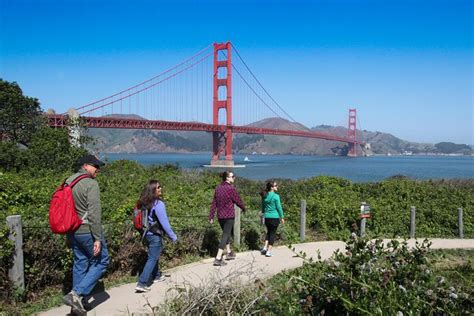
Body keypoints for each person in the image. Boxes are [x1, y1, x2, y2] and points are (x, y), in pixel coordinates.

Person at [62, 154, 109, 315]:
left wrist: (68, 235)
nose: (98, 169)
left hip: (72, 231)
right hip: (87, 231)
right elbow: (94, 214)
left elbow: (65, 210)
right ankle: (76, 294)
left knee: (80, 262)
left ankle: (78, 305)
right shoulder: (90, 184)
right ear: (85, 166)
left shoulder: (68, 181)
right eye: (96, 166)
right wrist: (97, 238)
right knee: (102, 261)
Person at [135, 180, 177, 293]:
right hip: (154, 235)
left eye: (160, 186)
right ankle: (142, 283)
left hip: (145, 234)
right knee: (152, 257)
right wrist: (173, 236)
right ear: (153, 189)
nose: (160, 189)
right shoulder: (158, 204)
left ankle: (157, 275)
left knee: (154, 254)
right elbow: (165, 223)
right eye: (158, 187)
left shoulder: (143, 202)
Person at [209, 171, 246, 266]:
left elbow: (214, 203)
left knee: (226, 233)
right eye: (232, 176)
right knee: (225, 235)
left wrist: (211, 216)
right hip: (229, 215)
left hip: (220, 216)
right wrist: (243, 208)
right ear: (227, 178)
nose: (234, 178)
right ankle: (218, 258)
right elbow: (238, 200)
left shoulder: (218, 188)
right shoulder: (231, 189)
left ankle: (229, 253)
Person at [260, 180, 285, 257]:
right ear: (272, 187)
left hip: (267, 217)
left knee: (269, 232)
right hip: (274, 217)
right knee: (272, 234)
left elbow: (263, 207)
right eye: (275, 185)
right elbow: (279, 208)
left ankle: (265, 247)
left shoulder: (265, 195)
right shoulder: (276, 196)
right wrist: (282, 217)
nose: (277, 186)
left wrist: (264, 213)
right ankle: (269, 251)